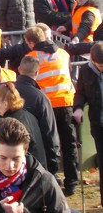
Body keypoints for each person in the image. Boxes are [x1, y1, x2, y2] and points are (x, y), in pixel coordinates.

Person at [24, 26, 79, 195]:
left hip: (46, 105)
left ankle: (52, 178)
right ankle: (72, 182)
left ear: (31, 42)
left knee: (48, 144)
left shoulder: (31, 57)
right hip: (67, 102)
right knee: (69, 144)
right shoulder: (63, 53)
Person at [73, 43, 103, 208]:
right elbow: (80, 93)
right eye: (100, 66)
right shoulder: (85, 71)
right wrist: (78, 108)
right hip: (98, 123)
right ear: (92, 60)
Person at [0, 82, 47, 168]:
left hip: (27, 171)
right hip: (39, 167)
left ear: (5, 104)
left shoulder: (8, 124)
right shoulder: (28, 115)